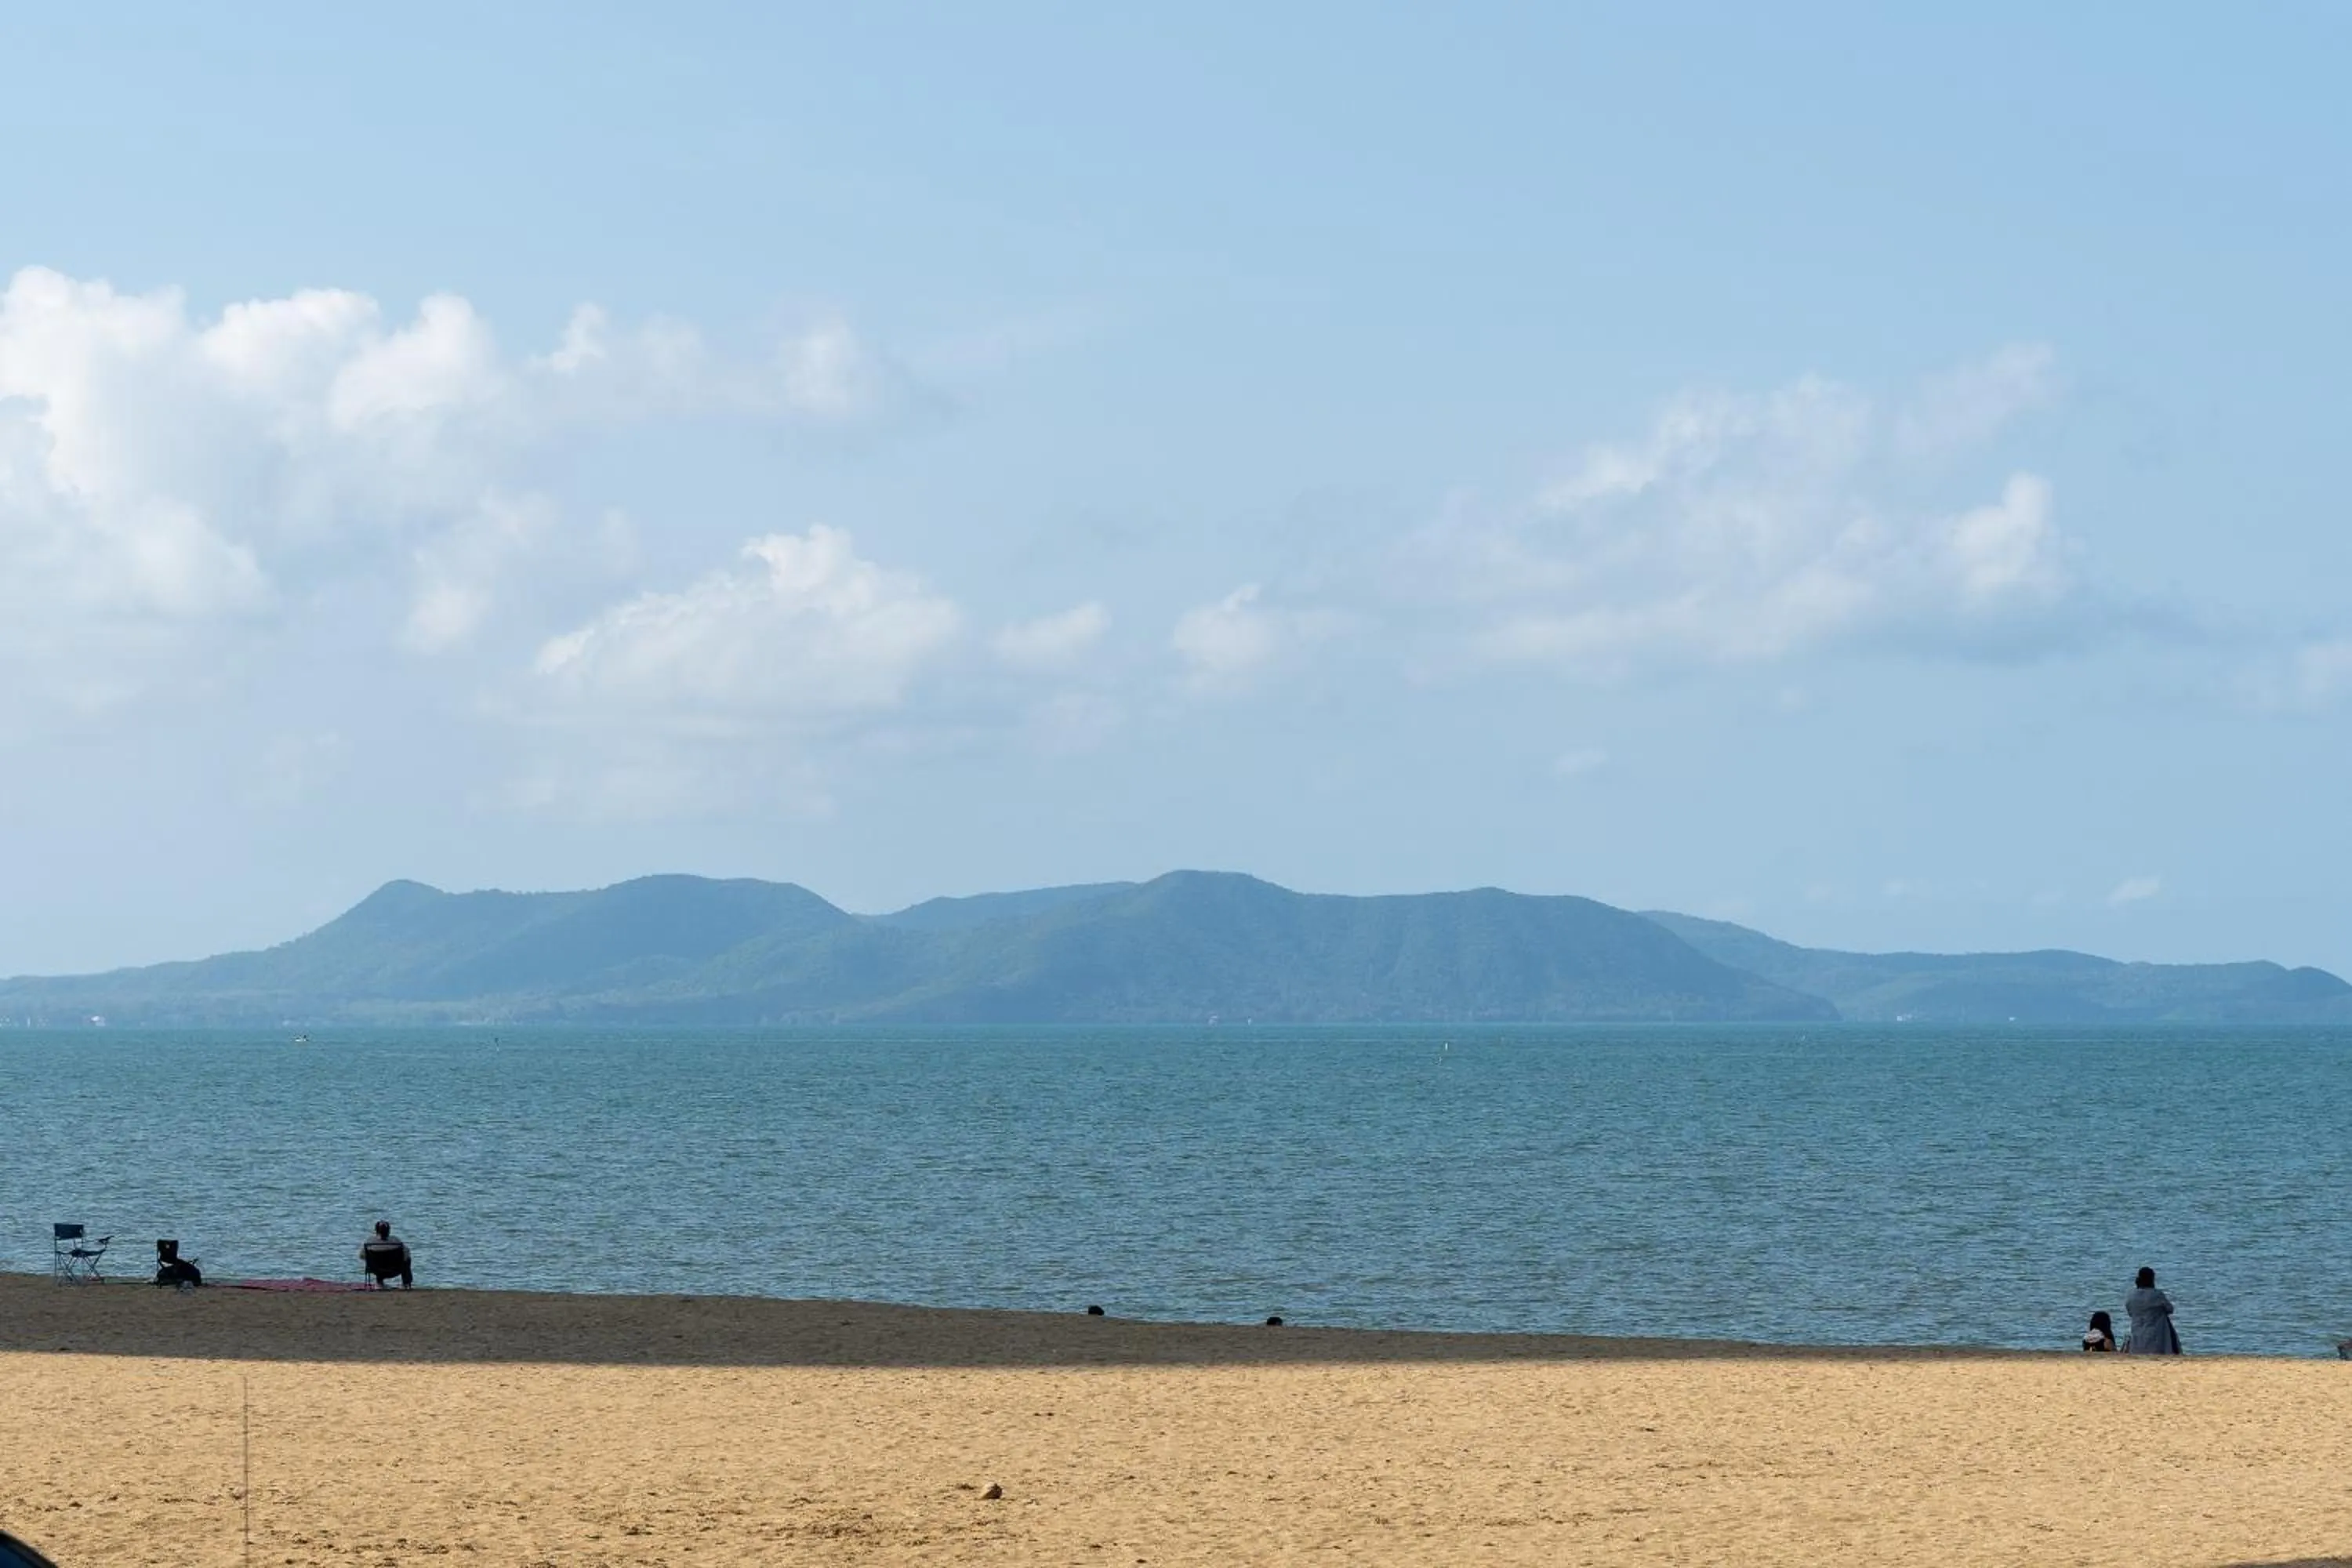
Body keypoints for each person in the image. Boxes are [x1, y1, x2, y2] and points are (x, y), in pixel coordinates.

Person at [2124, 1266, 2181, 1354]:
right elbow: (2170, 1309)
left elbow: (2130, 1312)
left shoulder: (2131, 1295)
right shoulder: (2156, 1294)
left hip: (2137, 1329)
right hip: (2155, 1332)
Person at [361, 1220, 414, 1289]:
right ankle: (406, 1284)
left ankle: (379, 1283)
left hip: (376, 1269)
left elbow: (362, 1256)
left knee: (377, 1261)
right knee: (408, 1259)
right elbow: (407, 1255)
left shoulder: (370, 1242)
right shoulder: (396, 1241)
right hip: (395, 1269)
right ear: (389, 1231)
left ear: (376, 1230)